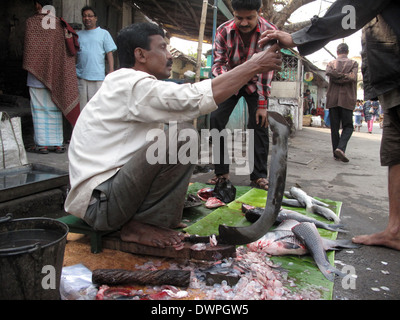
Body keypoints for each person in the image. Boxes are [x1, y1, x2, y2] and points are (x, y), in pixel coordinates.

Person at [64, 22, 282, 248]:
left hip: (107, 198)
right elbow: (194, 98)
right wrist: (253, 65)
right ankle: (141, 225)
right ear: (140, 54)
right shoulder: (130, 84)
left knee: (178, 133)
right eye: (162, 48)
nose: (169, 56)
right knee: (184, 135)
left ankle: (151, 219)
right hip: (101, 205)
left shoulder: (129, 84)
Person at [261, 0, 400, 250]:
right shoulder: (348, 65)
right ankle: (395, 230)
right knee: (396, 153)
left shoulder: (333, 65)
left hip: (389, 78)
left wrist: (297, 38)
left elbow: (351, 10)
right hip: (389, 84)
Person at [207, 0, 278, 191]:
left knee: (259, 124)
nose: (244, 23)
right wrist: (228, 82)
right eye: (239, 18)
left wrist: (262, 104)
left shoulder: (270, 32)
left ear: (259, 12)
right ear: (233, 12)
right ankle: (221, 173)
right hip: (230, 80)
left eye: (250, 18)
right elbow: (218, 63)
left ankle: (259, 176)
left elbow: (267, 69)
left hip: (257, 84)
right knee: (215, 118)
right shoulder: (223, 31)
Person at [23, 0, 80, 154]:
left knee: (39, 108)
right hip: (55, 75)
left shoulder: (31, 23)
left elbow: (30, 48)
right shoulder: (59, 25)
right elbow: (66, 51)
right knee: (55, 108)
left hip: (36, 76)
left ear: (37, 5)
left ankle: (43, 144)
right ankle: (56, 142)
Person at [76, 6, 117, 110]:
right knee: (82, 109)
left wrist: (111, 70)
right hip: (81, 77)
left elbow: (109, 52)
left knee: (97, 108)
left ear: (96, 18)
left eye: (90, 16)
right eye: (84, 16)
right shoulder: (78, 35)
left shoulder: (104, 33)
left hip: (98, 77)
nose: (87, 18)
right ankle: (82, 127)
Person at [325, 43, 358, 162]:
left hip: (333, 99)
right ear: (347, 51)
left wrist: (337, 77)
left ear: (337, 51)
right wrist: (345, 76)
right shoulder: (353, 63)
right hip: (347, 100)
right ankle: (340, 148)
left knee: (334, 128)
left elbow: (330, 73)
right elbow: (352, 77)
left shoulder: (331, 64)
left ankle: (336, 153)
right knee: (348, 126)